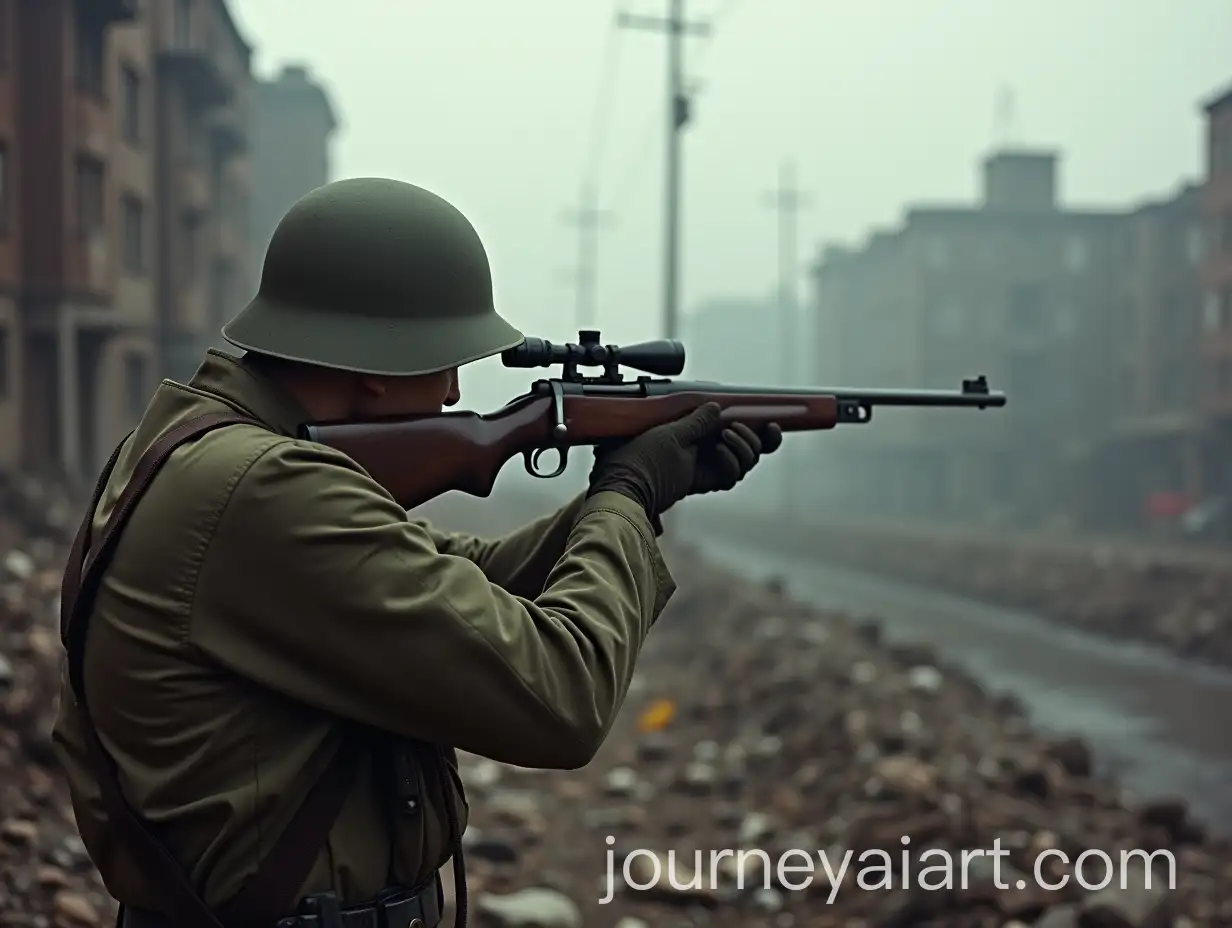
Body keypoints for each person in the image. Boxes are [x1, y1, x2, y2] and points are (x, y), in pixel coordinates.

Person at [52, 178, 782, 928]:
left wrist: (634, 494)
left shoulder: (203, 449)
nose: (452, 390)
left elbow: (459, 579)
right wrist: (626, 495)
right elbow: (563, 697)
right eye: (444, 359)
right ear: (376, 360)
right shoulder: (267, 488)